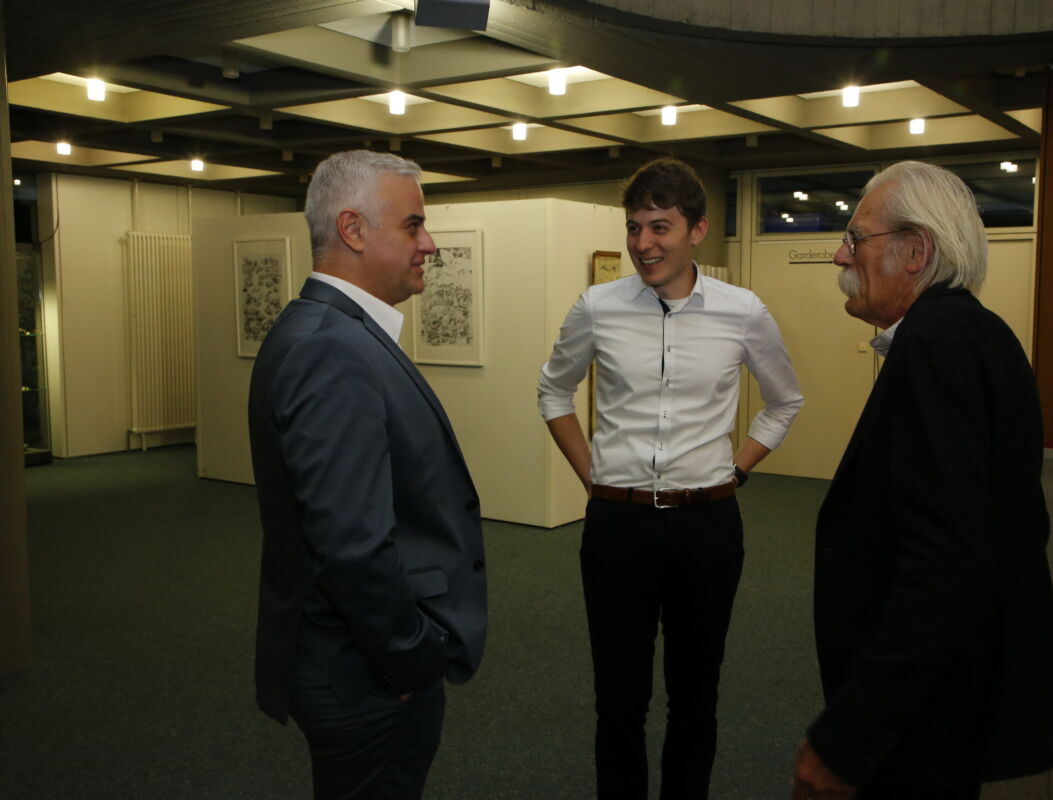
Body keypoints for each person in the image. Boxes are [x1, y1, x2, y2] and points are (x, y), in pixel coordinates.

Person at [791, 160, 1053, 800]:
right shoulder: (980, 334)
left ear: (916, 252)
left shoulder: (936, 348)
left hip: (922, 721)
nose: (841, 254)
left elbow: (945, 568)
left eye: (857, 237)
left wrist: (848, 738)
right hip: (950, 702)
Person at [538, 157, 803, 799]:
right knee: (618, 702)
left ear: (697, 231)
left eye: (660, 227)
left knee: (696, 696)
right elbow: (553, 391)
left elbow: (784, 400)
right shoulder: (597, 307)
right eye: (634, 228)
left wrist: (736, 470)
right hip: (617, 527)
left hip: (706, 528)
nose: (643, 245)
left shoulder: (742, 312)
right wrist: (593, 476)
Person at [248, 150, 487, 800]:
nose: (429, 244)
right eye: (413, 225)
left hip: (351, 660)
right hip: (363, 673)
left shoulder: (334, 332)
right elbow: (351, 542)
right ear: (353, 230)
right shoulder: (331, 346)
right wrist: (409, 657)